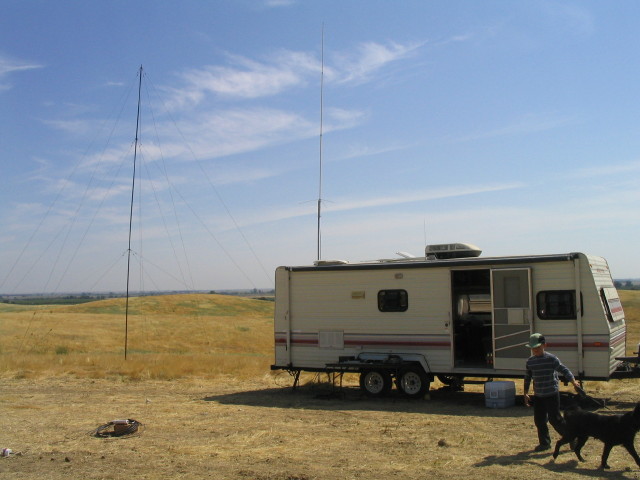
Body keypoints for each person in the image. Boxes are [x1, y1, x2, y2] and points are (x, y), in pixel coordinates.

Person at [523, 333, 581, 452]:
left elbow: (564, 370)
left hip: (551, 394)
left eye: (538, 348)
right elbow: (528, 377)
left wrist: (574, 382)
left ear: (544, 346)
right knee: (539, 420)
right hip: (538, 395)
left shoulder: (551, 359)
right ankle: (544, 443)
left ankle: (571, 437)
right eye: (533, 349)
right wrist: (525, 393)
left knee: (555, 420)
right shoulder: (530, 361)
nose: (535, 351)